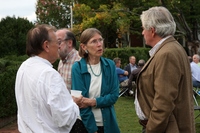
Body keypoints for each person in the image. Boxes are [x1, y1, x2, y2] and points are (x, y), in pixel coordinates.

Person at [136, 6, 195, 133]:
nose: (142, 33)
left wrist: (151, 128)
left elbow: (164, 100)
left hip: (167, 128)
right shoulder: (171, 48)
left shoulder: (167, 54)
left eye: (143, 29)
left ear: (152, 31)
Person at [15, 24, 82, 133]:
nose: (59, 46)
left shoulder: (23, 67)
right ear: (46, 46)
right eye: (57, 42)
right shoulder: (50, 74)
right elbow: (65, 118)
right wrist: (74, 103)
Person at [71, 28, 120, 133]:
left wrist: (93, 102)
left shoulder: (110, 65)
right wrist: (92, 129)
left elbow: (114, 96)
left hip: (108, 123)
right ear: (84, 47)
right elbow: (80, 103)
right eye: (94, 41)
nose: (99, 44)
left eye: (100, 40)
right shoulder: (77, 68)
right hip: (84, 124)